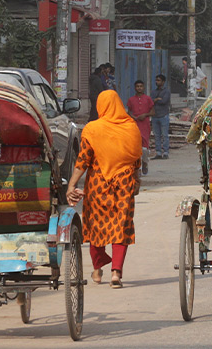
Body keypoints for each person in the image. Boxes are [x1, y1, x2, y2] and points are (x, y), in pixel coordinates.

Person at [66, 90, 142, 288]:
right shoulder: (131, 126)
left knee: (96, 225)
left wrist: (72, 184)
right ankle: (116, 272)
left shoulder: (92, 129)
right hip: (124, 183)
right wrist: (136, 181)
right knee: (121, 225)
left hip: (98, 183)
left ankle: (98, 270)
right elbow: (136, 159)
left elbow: (83, 160)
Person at [127, 80, 154, 175]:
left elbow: (153, 112)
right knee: (135, 147)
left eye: (141, 86)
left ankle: (145, 162)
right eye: (137, 86)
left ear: (143, 88)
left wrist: (145, 115)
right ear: (135, 88)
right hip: (134, 125)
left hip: (145, 125)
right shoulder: (131, 100)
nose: (139, 88)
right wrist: (133, 117)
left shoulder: (148, 99)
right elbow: (129, 112)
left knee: (145, 148)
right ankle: (137, 167)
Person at [151, 74, 170, 160]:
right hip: (155, 116)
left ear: (163, 82)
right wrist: (158, 99)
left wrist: (156, 100)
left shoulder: (166, 91)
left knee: (165, 135)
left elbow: (164, 101)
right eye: (156, 80)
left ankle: (165, 152)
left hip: (163, 115)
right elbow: (151, 101)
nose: (156, 82)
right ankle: (158, 152)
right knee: (157, 135)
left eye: (158, 80)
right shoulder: (153, 92)